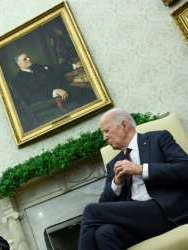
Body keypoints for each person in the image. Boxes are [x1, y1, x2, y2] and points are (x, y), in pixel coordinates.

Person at [78, 108, 188, 250]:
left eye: (107, 131)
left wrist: (141, 169)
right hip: (136, 223)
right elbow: (104, 205)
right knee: (103, 233)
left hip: (166, 212)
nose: (104, 138)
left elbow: (184, 168)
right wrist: (116, 184)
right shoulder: (113, 164)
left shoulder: (158, 139)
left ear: (124, 125)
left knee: (90, 210)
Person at [12, 53, 97, 108]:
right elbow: (32, 98)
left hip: (64, 84)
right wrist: (54, 92)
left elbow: (54, 68)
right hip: (54, 96)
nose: (29, 59)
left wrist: (73, 66)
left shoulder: (36, 66)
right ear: (19, 64)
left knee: (88, 86)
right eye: (25, 59)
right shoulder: (19, 79)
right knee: (83, 92)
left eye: (28, 56)